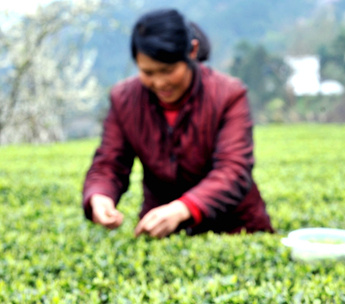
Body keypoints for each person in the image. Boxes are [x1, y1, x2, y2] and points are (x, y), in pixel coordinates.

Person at [82, 9, 273, 238]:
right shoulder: (124, 100)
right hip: (162, 231)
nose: (159, 82)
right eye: (148, 72)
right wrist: (100, 196)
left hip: (236, 228)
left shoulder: (229, 95)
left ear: (192, 52)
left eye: (168, 70)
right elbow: (110, 163)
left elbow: (233, 170)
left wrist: (184, 208)